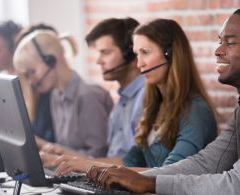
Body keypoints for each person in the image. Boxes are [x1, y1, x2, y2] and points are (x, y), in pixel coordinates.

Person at [86, 9, 240, 195]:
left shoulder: (195, 109)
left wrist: (150, 184)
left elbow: (235, 184)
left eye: (230, 42)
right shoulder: (238, 111)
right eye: (220, 41)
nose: (218, 51)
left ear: (170, 54)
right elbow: (207, 162)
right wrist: (139, 180)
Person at [46, 18, 218, 176]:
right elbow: (128, 162)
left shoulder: (195, 110)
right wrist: (82, 164)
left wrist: (90, 166)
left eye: (145, 52)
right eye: (137, 54)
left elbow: (169, 174)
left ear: (170, 54)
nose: (139, 63)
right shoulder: (155, 106)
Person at [39, 17, 145, 167]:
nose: (98, 61)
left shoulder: (146, 97)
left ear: (131, 53)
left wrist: (71, 163)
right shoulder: (122, 101)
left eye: (105, 52)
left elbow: (135, 163)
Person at [13, 30, 113, 158]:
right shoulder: (55, 95)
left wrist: (49, 149)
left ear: (52, 60)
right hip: (70, 174)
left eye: (32, 72)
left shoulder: (88, 96)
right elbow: (66, 149)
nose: (31, 81)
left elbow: (100, 158)